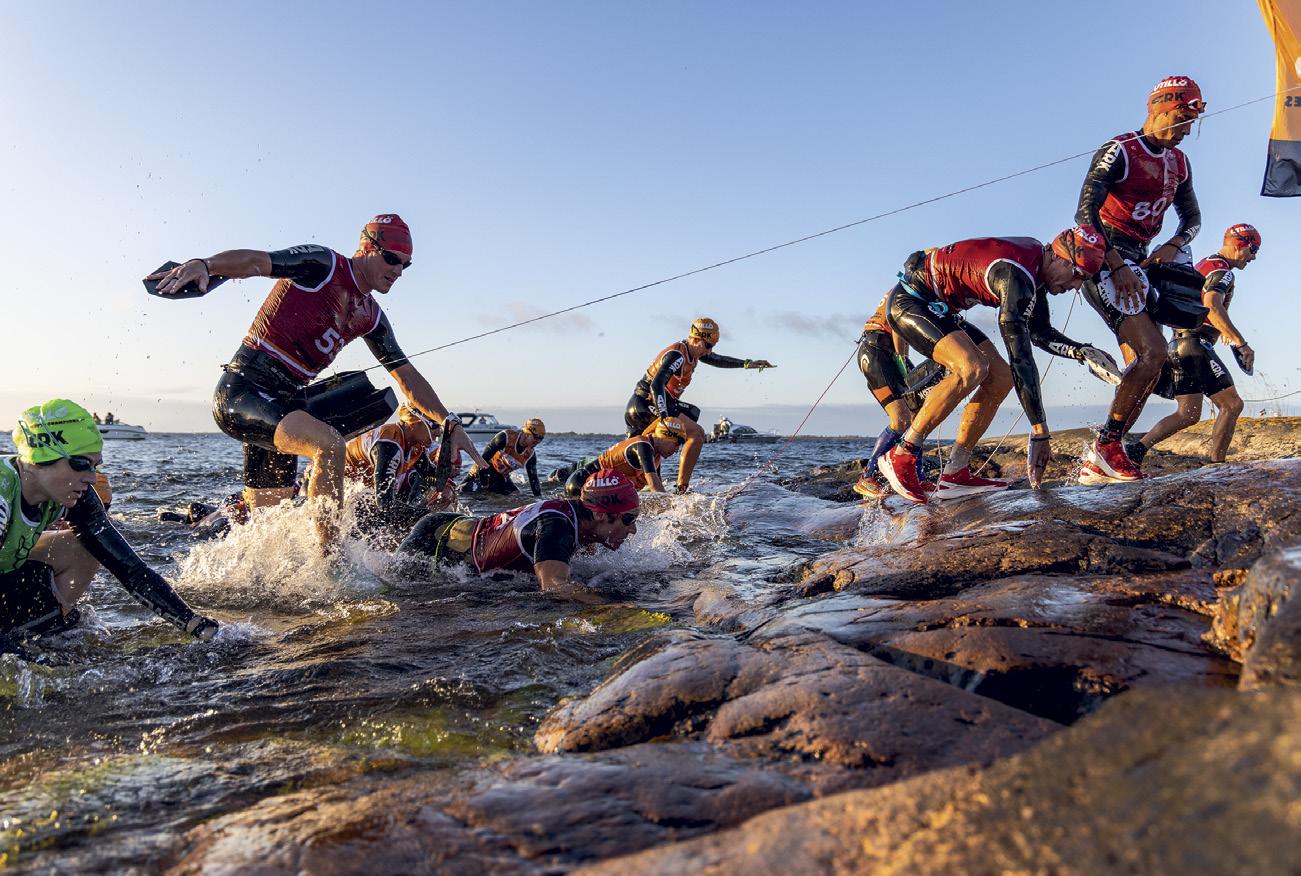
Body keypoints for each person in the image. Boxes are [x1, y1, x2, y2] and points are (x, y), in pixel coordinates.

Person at [145, 214, 485, 547]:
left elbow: (406, 376)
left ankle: (232, 560)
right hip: (244, 391)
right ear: (367, 248)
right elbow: (257, 262)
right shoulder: (324, 265)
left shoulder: (372, 316)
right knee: (329, 444)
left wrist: (450, 422)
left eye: (405, 265)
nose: (398, 271)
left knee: (267, 530)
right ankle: (331, 564)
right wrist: (205, 265)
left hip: (284, 408)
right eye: (392, 259)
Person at [875, 228, 1114, 503]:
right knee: (972, 367)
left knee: (1001, 378)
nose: (1076, 287)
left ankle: (955, 473)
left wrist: (1081, 351)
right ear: (1059, 258)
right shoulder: (1016, 275)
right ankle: (902, 454)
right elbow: (1020, 356)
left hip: (940, 310)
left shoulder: (1036, 268)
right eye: (1078, 275)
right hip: (910, 302)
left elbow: (1039, 333)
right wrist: (1039, 431)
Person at [1, 400, 218, 655]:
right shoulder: (3, 494)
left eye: (95, 466)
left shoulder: (77, 496)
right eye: (81, 463)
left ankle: (45, 634)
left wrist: (194, 624)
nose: (92, 478)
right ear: (41, 456)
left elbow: (130, 569)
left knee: (80, 547)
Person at [1074, 75, 1206, 483]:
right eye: (1183, 120)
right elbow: (1084, 215)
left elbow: (1193, 219)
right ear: (1161, 110)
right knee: (1153, 352)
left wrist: (1173, 244)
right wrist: (1115, 264)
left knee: (1149, 364)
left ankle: (1104, 453)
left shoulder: (1180, 162)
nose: (1186, 132)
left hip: (1144, 260)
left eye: (1191, 124)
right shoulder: (1120, 150)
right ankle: (1106, 447)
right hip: (1103, 254)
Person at [397, 468, 641, 603]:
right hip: (437, 539)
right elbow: (554, 587)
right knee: (398, 593)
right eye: (628, 519)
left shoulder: (583, 522)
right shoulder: (557, 527)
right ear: (600, 515)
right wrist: (614, 605)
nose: (633, 530)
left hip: (460, 529)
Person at [1131, 224, 1261, 464]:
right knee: (1232, 405)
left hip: (1178, 344)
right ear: (1239, 244)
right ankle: (1217, 466)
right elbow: (1212, 305)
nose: (1253, 258)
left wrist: (1223, 330)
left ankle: (1135, 451)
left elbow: (1202, 306)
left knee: (1187, 413)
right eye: (1253, 250)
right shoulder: (1223, 271)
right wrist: (1240, 342)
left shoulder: (1203, 265)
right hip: (1196, 344)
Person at [625, 317, 774, 492]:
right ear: (695, 339)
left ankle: (635, 493)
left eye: (712, 346)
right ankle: (681, 489)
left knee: (644, 474)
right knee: (696, 433)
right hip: (646, 405)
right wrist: (665, 418)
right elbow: (656, 385)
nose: (709, 351)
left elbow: (718, 360)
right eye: (708, 346)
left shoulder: (693, 353)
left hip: (644, 406)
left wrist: (746, 364)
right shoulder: (678, 356)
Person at [344, 404, 459, 544]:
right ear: (414, 423)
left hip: (362, 492)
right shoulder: (389, 444)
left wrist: (447, 485)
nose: (438, 433)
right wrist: (428, 515)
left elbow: (428, 472)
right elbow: (385, 505)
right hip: (342, 488)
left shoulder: (415, 443)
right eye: (434, 425)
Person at [564, 416, 688, 497]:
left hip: (600, 491)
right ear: (665, 435)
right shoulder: (643, 446)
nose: (676, 450)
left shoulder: (655, 456)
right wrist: (672, 507)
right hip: (581, 485)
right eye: (677, 444)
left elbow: (658, 488)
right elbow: (654, 486)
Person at [460, 419, 546, 497]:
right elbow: (482, 461)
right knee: (461, 493)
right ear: (527, 433)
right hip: (480, 473)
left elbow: (534, 480)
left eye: (541, 439)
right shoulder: (505, 437)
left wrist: (539, 499)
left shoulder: (530, 455)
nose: (538, 441)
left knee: (517, 496)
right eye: (536, 437)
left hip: (501, 477)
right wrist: (484, 484)